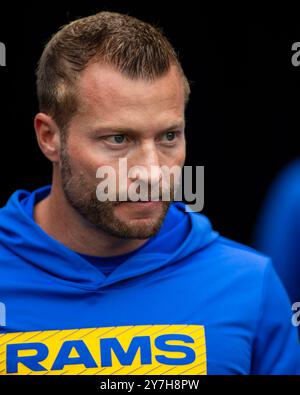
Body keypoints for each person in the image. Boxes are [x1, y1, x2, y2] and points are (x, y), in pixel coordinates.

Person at [0, 11, 299, 375]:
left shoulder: (248, 285)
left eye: (168, 136)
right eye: (118, 139)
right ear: (49, 136)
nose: (152, 172)